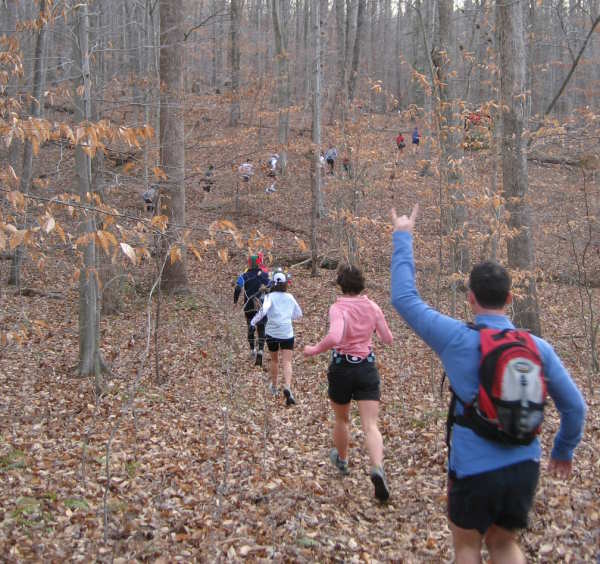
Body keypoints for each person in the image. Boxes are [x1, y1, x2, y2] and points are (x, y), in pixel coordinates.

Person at [389, 204, 586, 564]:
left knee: (467, 545)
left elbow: (404, 299)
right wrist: (563, 451)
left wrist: (403, 235)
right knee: (504, 543)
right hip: (524, 465)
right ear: (510, 299)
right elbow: (575, 407)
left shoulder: (456, 339)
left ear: (471, 299)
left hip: (473, 469)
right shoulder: (538, 348)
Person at [304, 265, 394, 501]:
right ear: (362, 284)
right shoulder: (373, 307)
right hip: (366, 367)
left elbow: (334, 337)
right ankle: (377, 468)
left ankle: (342, 460)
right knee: (370, 425)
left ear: (341, 285)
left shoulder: (338, 308)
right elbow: (387, 339)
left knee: (342, 419)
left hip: (342, 368)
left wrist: (314, 349)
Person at [252, 271, 302, 405]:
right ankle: (287, 387)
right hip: (287, 332)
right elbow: (299, 313)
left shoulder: (269, 297)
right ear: (285, 283)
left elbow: (263, 311)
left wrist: (253, 322)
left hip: (272, 332)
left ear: (272, 283)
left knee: (274, 360)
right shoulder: (290, 297)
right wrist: (287, 317)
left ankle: (274, 387)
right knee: (287, 362)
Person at [234, 253, 271, 366]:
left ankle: (252, 350)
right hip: (261, 306)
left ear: (249, 263)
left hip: (249, 306)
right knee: (261, 327)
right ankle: (260, 350)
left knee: (250, 326)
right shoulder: (265, 275)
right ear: (259, 263)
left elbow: (237, 288)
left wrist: (235, 301)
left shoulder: (244, 276)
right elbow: (270, 286)